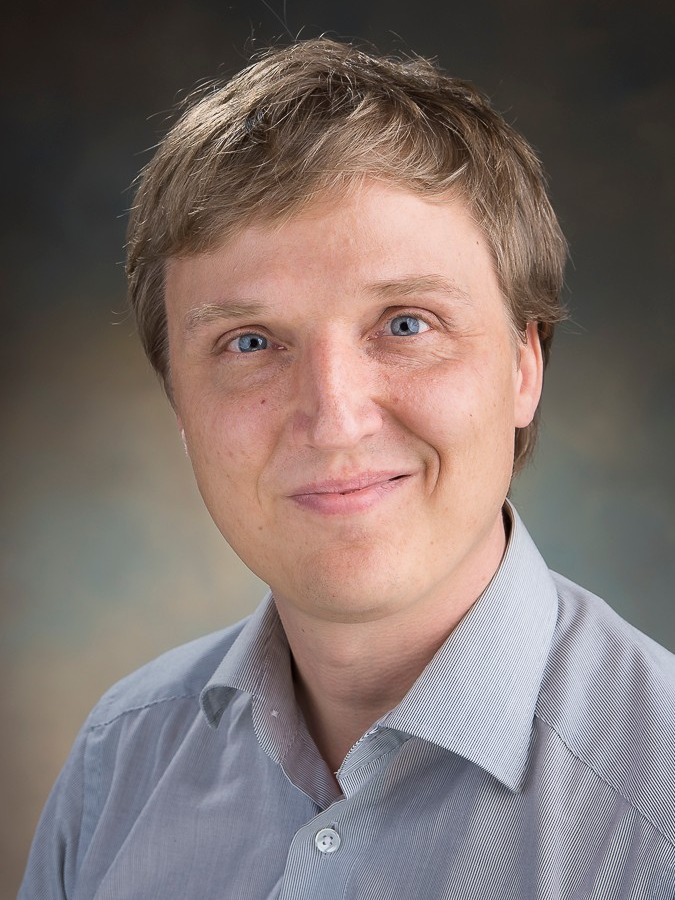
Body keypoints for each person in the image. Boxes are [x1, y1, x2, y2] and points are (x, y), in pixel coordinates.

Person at [20, 39, 674, 899]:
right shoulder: (117, 765)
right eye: (249, 342)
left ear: (524, 367)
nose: (333, 421)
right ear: (179, 403)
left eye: (405, 324)